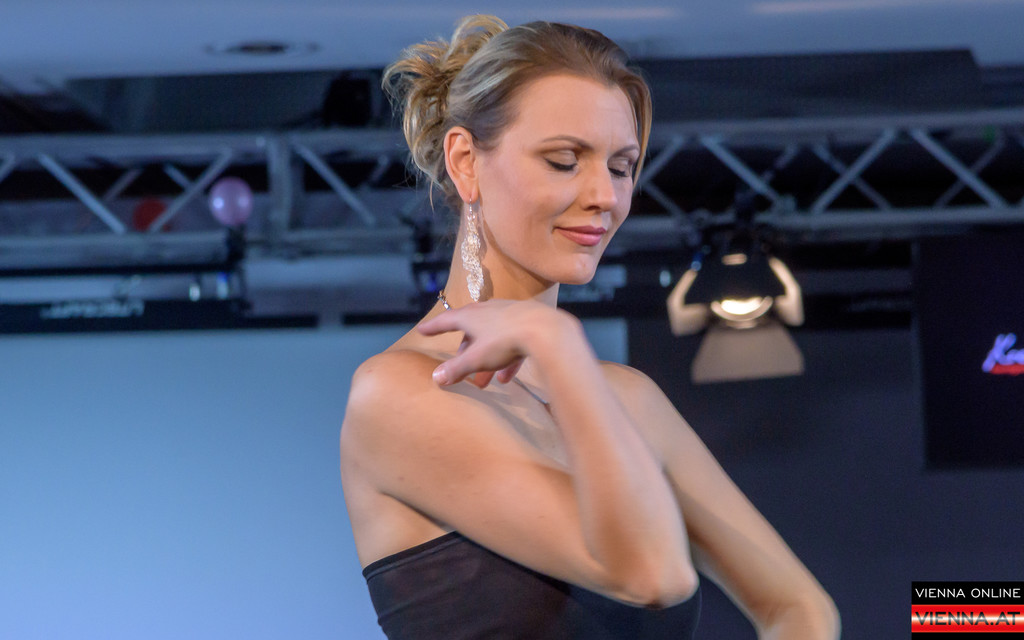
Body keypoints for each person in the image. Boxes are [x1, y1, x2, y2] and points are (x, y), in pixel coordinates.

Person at [340, 15, 840, 639]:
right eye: (564, 160)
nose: (604, 195)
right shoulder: (398, 394)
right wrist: (557, 343)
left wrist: (560, 354)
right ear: (466, 161)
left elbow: (799, 607)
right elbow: (650, 574)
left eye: (621, 167)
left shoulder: (628, 400)